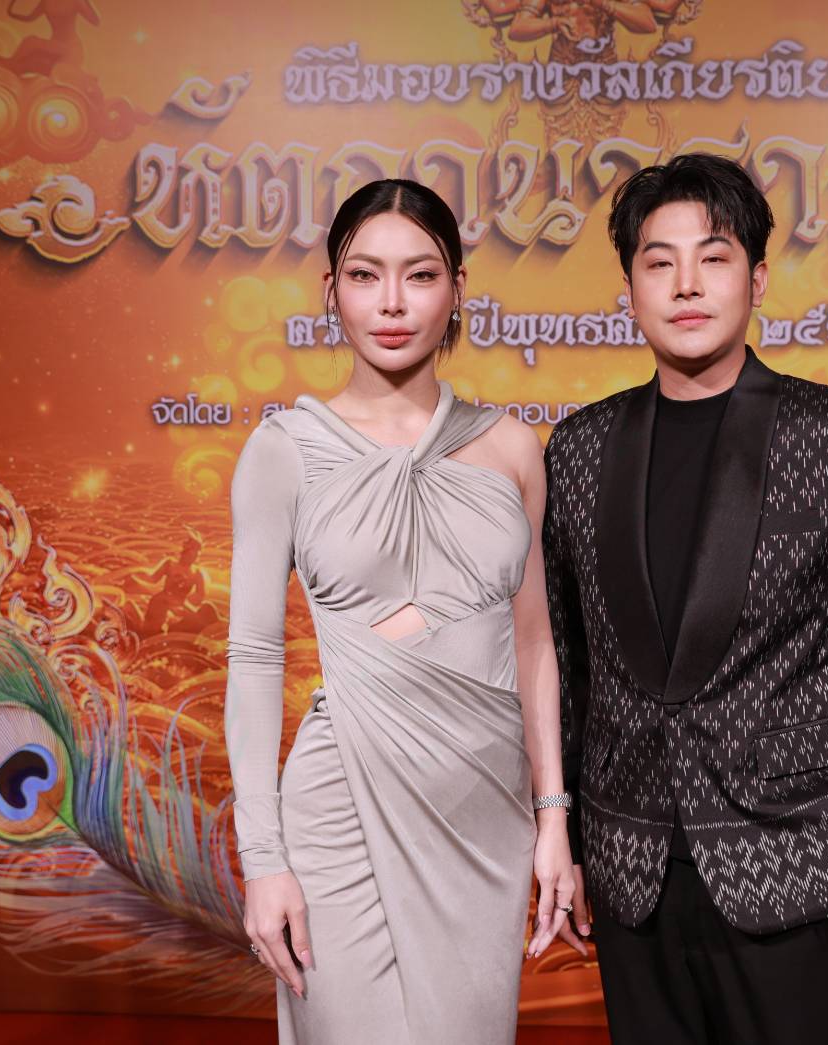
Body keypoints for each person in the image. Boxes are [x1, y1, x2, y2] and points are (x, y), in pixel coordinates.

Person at [541, 153, 828, 1044]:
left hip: (792, 866)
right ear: (628, 288)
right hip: (629, 876)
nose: (686, 284)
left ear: (758, 278)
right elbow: (567, 661)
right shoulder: (579, 449)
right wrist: (571, 838)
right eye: (659, 262)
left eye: (714, 257)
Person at [224, 178, 580, 1044]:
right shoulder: (283, 450)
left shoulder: (510, 447)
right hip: (339, 806)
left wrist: (553, 818)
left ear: (457, 288)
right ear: (330, 290)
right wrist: (263, 860)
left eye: (419, 275)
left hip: (483, 815)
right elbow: (255, 658)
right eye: (364, 275)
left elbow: (534, 641)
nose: (391, 302)